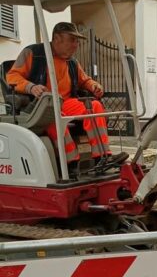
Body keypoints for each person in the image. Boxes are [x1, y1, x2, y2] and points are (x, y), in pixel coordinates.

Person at [6, 22, 128, 177]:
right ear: (57, 38)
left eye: (77, 41)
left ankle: (102, 158)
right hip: (39, 105)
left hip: (66, 103)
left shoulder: (72, 62)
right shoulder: (32, 53)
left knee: (94, 105)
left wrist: (93, 85)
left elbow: (84, 80)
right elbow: (12, 76)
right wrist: (31, 87)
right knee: (53, 113)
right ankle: (71, 163)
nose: (76, 45)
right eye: (72, 40)